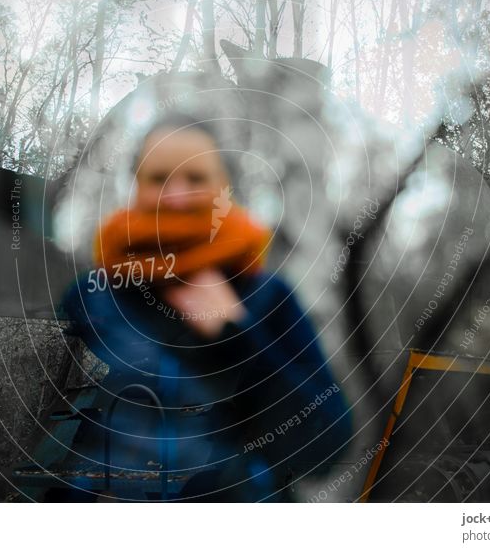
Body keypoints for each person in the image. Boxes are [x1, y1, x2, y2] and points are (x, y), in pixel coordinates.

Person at [61, 113, 352, 501]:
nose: (176, 196)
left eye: (196, 179)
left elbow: (326, 448)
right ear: (135, 186)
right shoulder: (93, 297)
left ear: (223, 190)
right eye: (159, 178)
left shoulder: (266, 294)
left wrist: (233, 337)